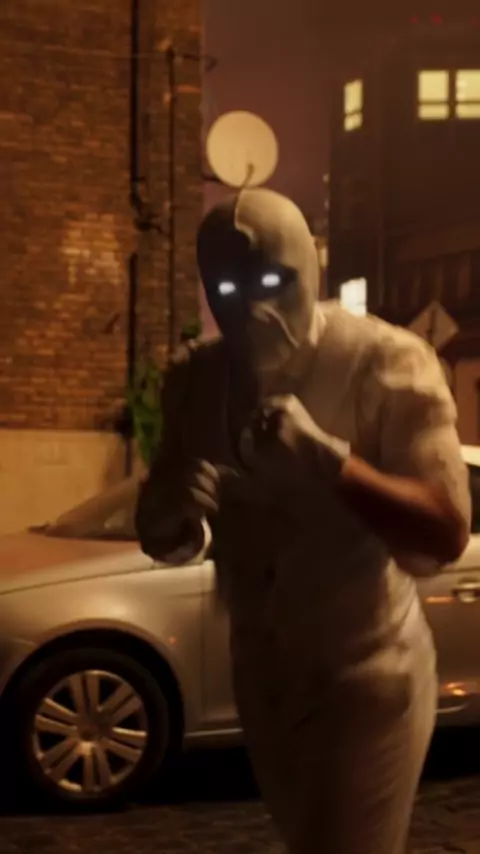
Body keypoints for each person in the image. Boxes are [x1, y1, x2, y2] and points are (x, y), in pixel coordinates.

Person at [135, 188, 470, 854]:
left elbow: (444, 529)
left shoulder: (386, 361)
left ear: (309, 271)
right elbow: (165, 536)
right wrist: (170, 510)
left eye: (270, 282)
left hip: (368, 674)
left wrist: (330, 460)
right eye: (226, 288)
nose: (250, 309)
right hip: (261, 680)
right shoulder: (196, 381)